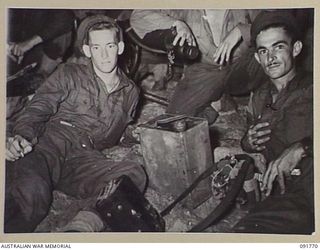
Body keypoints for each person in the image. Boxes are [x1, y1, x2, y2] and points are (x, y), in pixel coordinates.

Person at [5, 15, 146, 233]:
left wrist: (132, 137)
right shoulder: (70, 73)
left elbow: (118, 131)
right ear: (88, 50)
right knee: (33, 192)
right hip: (49, 142)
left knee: (132, 173)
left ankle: (82, 228)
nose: (104, 54)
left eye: (109, 46)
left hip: (84, 156)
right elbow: (39, 107)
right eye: (97, 47)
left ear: (119, 47)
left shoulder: (131, 92)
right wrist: (22, 135)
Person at [233, 10, 314, 234]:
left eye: (278, 47)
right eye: (263, 51)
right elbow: (250, 142)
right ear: (258, 58)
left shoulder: (313, 88)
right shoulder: (259, 97)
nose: (271, 57)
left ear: (296, 49)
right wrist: (247, 142)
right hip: (284, 195)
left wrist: (303, 148)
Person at [130, 9, 264, 123]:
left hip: (245, 63)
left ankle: (264, 103)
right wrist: (177, 23)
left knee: (272, 56)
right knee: (177, 121)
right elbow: (139, 15)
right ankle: (218, 103)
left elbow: (279, 21)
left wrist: (242, 30)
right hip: (205, 68)